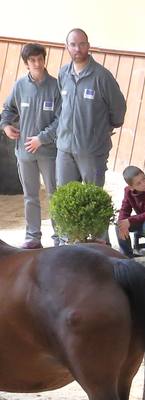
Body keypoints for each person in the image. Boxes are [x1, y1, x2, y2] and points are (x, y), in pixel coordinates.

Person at [1, 43, 60, 248]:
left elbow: (61, 119)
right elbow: (8, 109)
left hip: (49, 152)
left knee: (55, 194)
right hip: (24, 153)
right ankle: (33, 237)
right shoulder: (19, 86)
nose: (37, 63)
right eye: (32, 60)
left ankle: (59, 237)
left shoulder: (56, 86)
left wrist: (41, 139)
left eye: (40, 59)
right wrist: (6, 126)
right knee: (30, 196)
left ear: (45, 59)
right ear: (26, 63)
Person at [55, 29, 126, 187]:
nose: (77, 49)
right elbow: (60, 106)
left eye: (81, 44)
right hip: (64, 148)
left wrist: (107, 127)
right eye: (73, 45)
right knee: (64, 197)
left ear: (88, 46)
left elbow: (118, 107)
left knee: (92, 196)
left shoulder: (102, 76)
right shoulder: (63, 74)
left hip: (93, 150)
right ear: (66, 47)